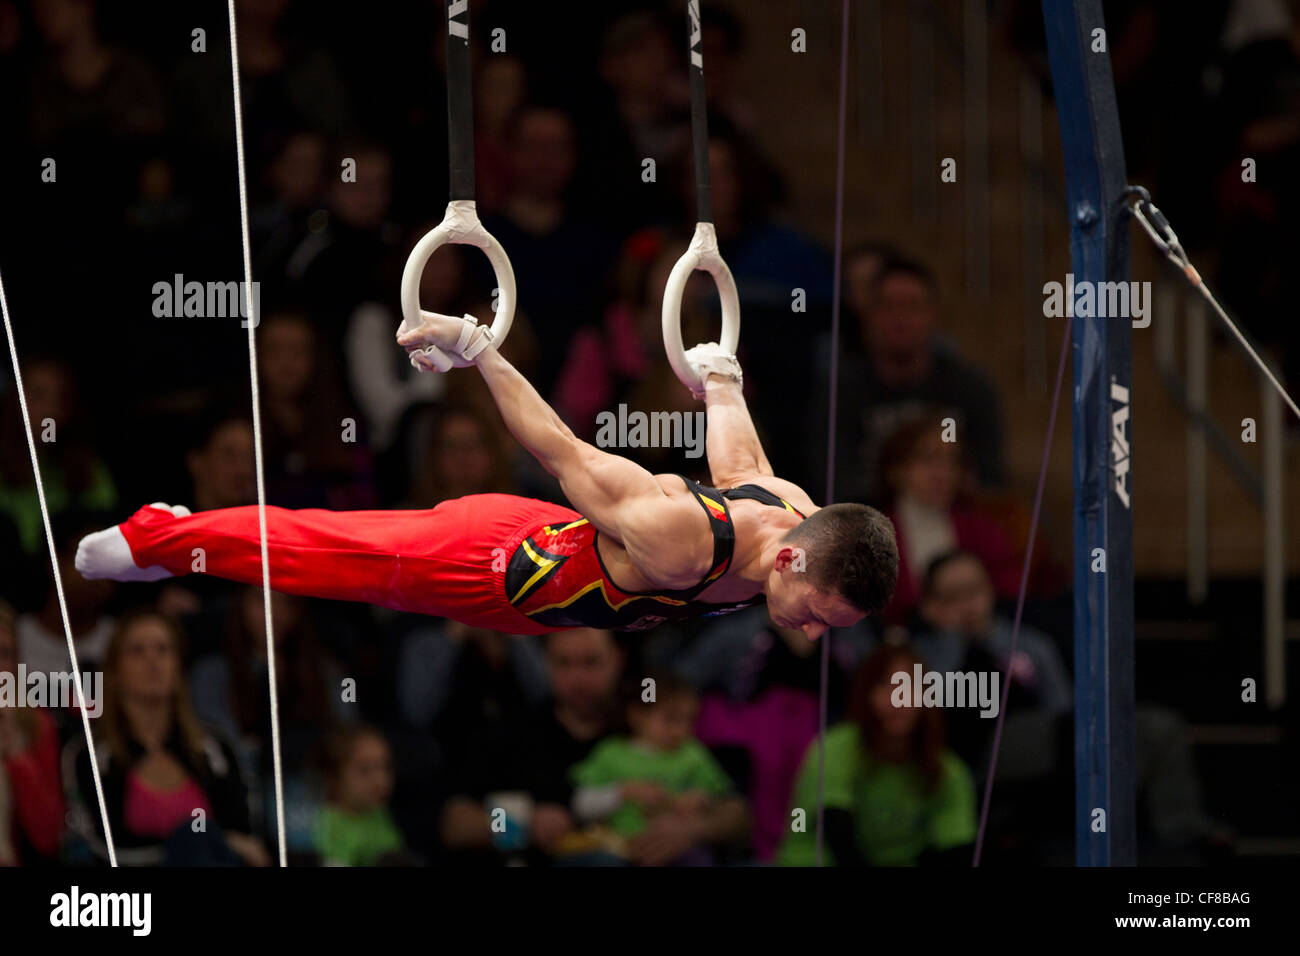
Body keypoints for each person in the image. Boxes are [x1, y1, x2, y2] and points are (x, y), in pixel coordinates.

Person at [76, 313, 899, 640]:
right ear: (790, 559)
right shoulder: (677, 537)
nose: (813, 633)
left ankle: (180, 533)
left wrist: (720, 381)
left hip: (539, 613)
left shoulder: (798, 512)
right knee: (313, 554)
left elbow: (745, 464)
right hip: (488, 564)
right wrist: (480, 353)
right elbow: (560, 449)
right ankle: (157, 535)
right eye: (820, 616)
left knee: (317, 564)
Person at [63, 611, 268, 866]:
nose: (152, 660)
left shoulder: (215, 748)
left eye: (163, 649)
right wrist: (184, 844)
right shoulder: (89, 755)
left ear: (178, 666)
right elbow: (96, 846)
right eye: (137, 651)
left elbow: (246, 836)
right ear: (114, 671)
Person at [778, 644, 977, 866]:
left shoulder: (947, 770)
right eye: (884, 684)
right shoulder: (833, 749)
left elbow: (956, 847)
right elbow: (838, 837)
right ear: (866, 693)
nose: (897, 698)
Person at [568, 671, 748, 865]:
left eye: (688, 720)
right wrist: (623, 793)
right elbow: (580, 805)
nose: (681, 730)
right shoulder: (611, 753)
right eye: (671, 719)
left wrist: (701, 801)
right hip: (621, 848)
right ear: (637, 715)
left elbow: (720, 797)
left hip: (679, 848)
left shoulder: (693, 754)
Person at [313, 725, 411, 866]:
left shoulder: (379, 813)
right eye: (365, 770)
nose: (381, 781)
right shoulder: (328, 824)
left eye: (386, 767)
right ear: (333, 776)